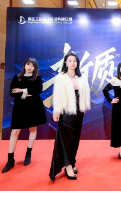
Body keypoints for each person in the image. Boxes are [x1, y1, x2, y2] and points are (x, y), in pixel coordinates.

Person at [49, 52, 91, 181]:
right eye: (70, 60)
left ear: (77, 63)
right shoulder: (61, 77)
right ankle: (68, 166)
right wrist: (57, 111)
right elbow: (58, 95)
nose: (72, 63)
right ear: (65, 63)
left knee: (75, 138)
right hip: (67, 111)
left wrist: (84, 106)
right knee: (66, 139)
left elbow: (86, 93)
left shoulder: (81, 76)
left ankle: (72, 162)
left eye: (75, 61)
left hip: (79, 111)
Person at [2, 58, 47, 173]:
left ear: (35, 68)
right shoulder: (17, 77)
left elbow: (37, 91)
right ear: (24, 65)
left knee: (33, 129)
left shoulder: (37, 78)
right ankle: (10, 159)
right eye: (28, 64)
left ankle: (28, 153)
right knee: (14, 132)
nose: (30, 67)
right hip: (19, 107)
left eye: (32, 65)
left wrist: (21, 90)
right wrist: (27, 92)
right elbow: (12, 92)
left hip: (33, 106)